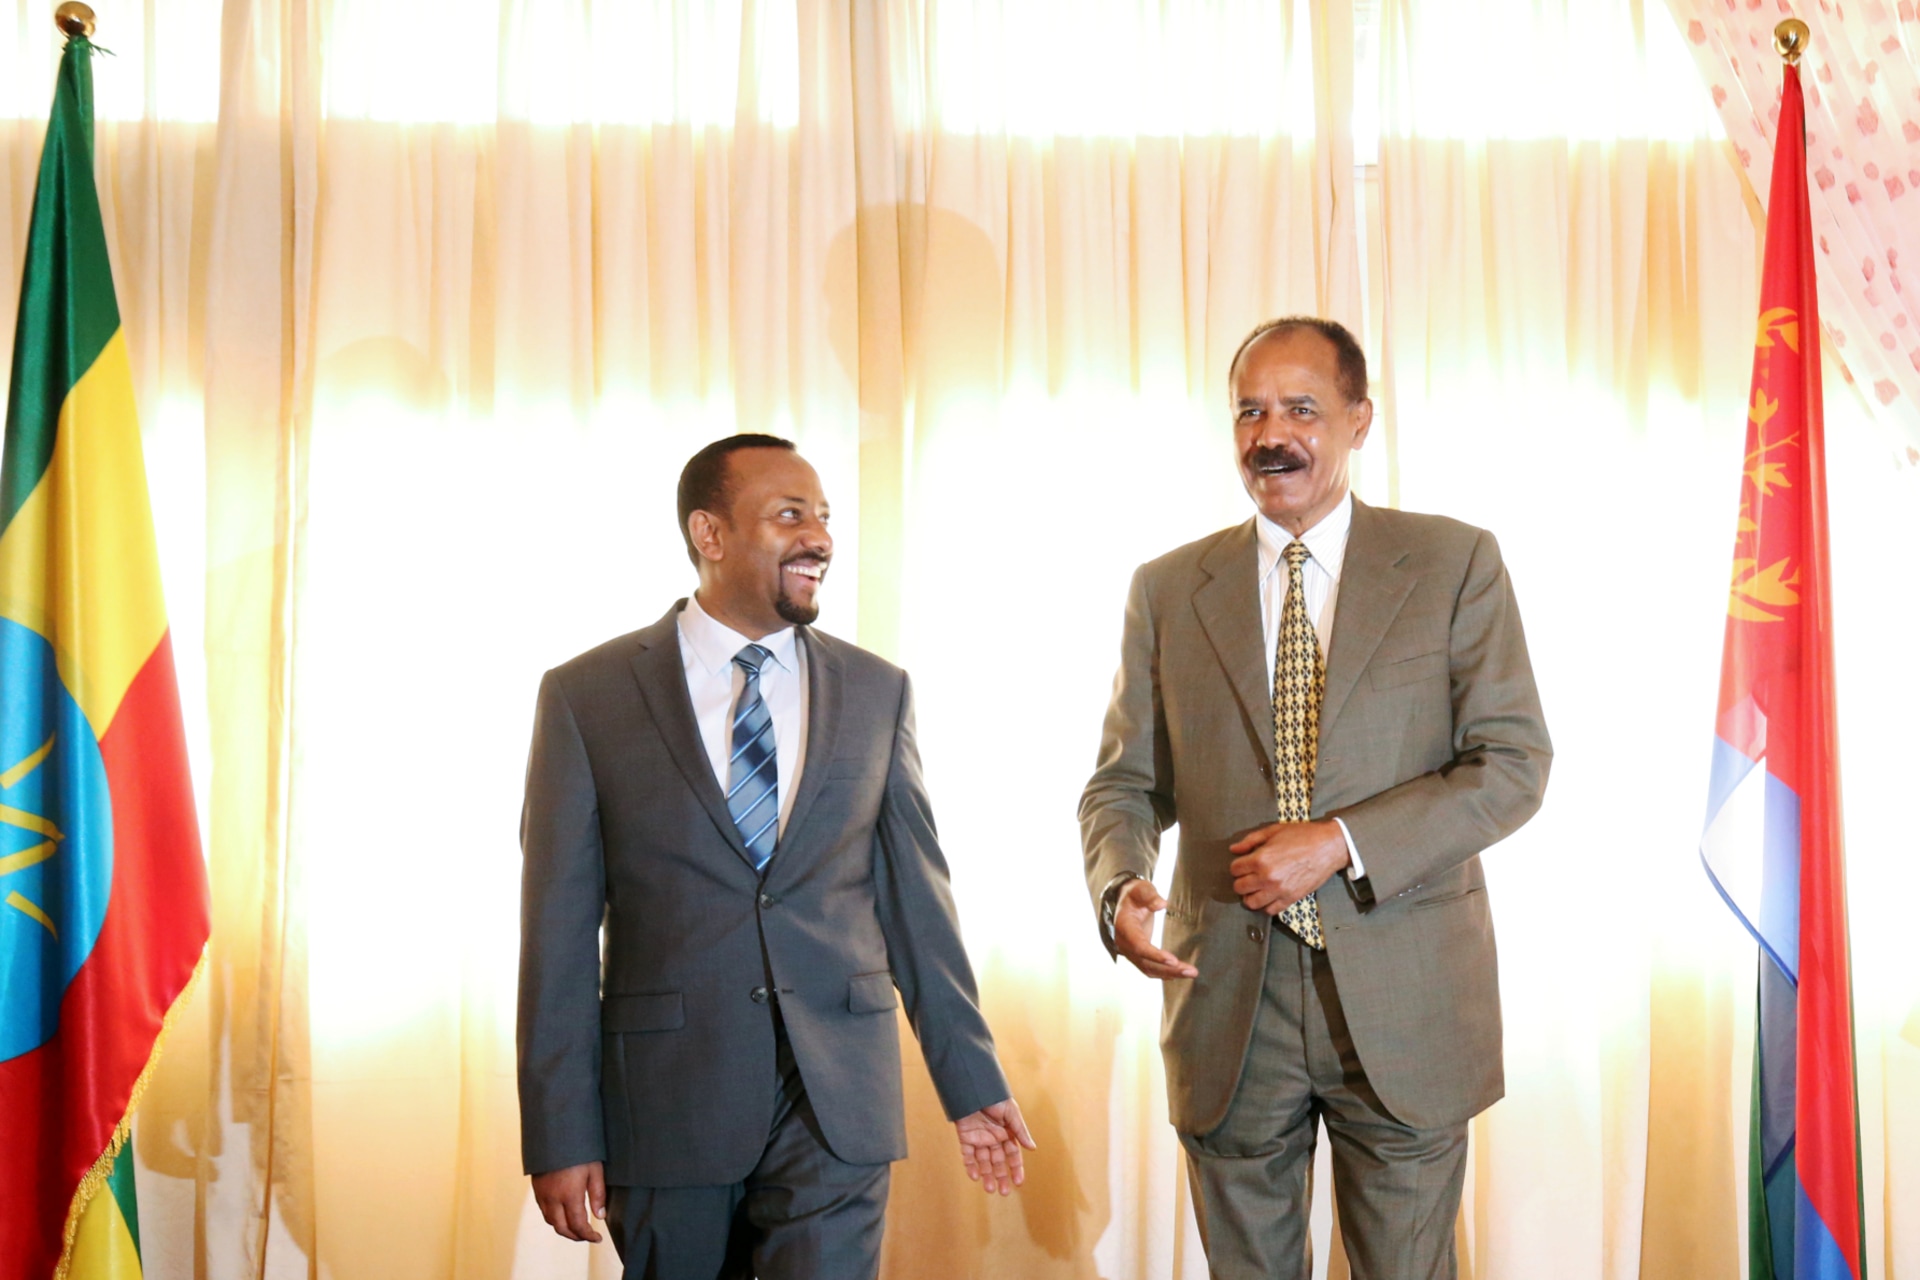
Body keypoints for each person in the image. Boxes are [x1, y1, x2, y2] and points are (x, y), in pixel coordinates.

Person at [1079, 318, 1551, 1279]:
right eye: (1250, 410)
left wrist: (1341, 840)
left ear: (1359, 420)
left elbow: (1512, 764)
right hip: (1228, 1010)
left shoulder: (1455, 563)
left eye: (1301, 408)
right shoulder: (1168, 588)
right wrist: (1119, 882)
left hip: (1409, 999)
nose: (1270, 434)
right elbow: (1125, 783)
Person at [518, 434, 1033, 1280]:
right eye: (791, 515)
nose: (820, 538)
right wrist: (561, 1133)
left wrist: (970, 1080)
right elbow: (557, 936)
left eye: (825, 518)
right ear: (710, 534)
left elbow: (918, 908)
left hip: (839, 1105)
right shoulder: (587, 696)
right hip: (668, 1104)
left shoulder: (878, 691)